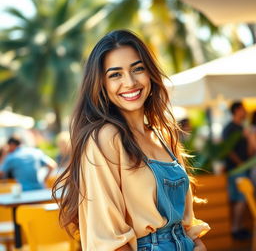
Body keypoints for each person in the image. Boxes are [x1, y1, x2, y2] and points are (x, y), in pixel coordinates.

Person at [53, 30, 210, 251]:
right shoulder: (104, 139)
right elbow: (109, 239)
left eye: (138, 69)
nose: (130, 82)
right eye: (115, 74)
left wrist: (198, 244)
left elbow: (186, 222)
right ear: (101, 84)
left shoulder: (164, 135)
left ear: (149, 73)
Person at [222, 101, 250, 240]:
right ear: (237, 110)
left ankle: (238, 228)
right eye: (243, 109)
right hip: (236, 170)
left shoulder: (241, 127)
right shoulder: (230, 128)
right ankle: (235, 229)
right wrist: (240, 164)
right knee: (241, 198)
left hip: (243, 168)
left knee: (242, 199)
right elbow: (227, 150)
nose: (245, 112)